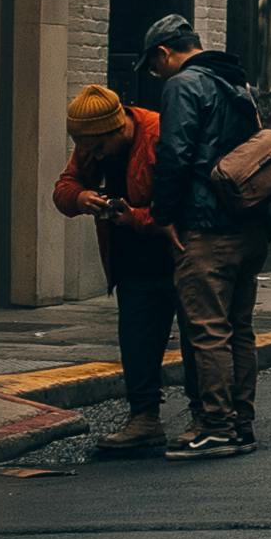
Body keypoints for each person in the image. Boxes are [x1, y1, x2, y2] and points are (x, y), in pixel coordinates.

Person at [139, 9, 270, 460]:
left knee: (208, 328)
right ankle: (242, 424)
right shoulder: (238, 83)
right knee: (239, 328)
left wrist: (163, 215)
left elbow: (174, 155)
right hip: (250, 225)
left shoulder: (183, 85)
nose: (156, 76)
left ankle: (215, 426)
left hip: (207, 226)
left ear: (164, 53)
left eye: (153, 67)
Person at [52, 83, 175, 457]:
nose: (91, 155)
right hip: (129, 257)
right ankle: (144, 419)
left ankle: (209, 416)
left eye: (97, 148)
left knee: (197, 337)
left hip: (176, 252)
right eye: (85, 147)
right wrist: (80, 196)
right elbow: (65, 185)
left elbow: (179, 205)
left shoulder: (159, 134)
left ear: (117, 128)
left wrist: (134, 217)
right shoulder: (93, 142)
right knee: (137, 339)